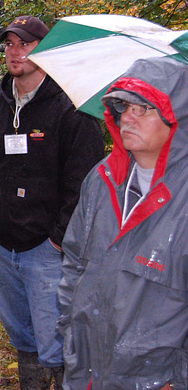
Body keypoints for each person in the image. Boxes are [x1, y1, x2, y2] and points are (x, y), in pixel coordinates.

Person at [0, 16, 105, 388]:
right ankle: (30, 382)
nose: (16, 52)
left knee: (56, 335)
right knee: (20, 330)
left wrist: (59, 238)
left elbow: (85, 182)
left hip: (46, 249)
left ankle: (63, 381)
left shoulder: (71, 111)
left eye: (25, 44)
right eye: (10, 44)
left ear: (45, 51)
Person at [58, 56, 188, 390]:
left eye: (144, 108)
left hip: (155, 378)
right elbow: (74, 261)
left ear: (178, 118)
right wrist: (70, 331)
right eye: (124, 106)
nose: (128, 116)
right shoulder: (101, 180)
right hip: (87, 368)